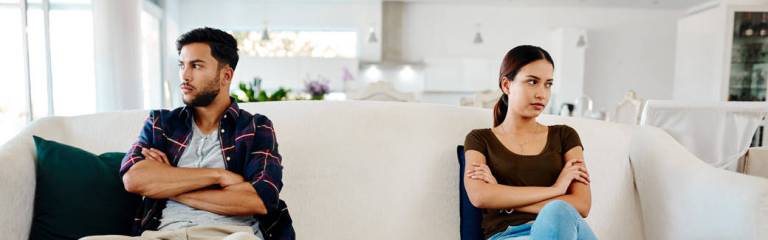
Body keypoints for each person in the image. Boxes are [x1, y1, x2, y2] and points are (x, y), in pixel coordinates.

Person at [83, 27, 293, 240]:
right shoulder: (162, 124)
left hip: (227, 235)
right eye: (182, 65)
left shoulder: (255, 128)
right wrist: (218, 176)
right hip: (164, 235)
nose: (185, 75)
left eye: (196, 66)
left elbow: (259, 200)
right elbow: (134, 179)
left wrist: (166, 184)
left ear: (226, 75)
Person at [463, 45, 596, 240]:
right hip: (511, 236)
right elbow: (480, 196)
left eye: (548, 84)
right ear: (506, 85)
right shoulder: (479, 139)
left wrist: (504, 198)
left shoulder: (565, 136)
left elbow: (582, 204)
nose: (542, 94)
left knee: (558, 211)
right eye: (532, 82)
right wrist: (555, 190)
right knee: (557, 206)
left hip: (569, 232)